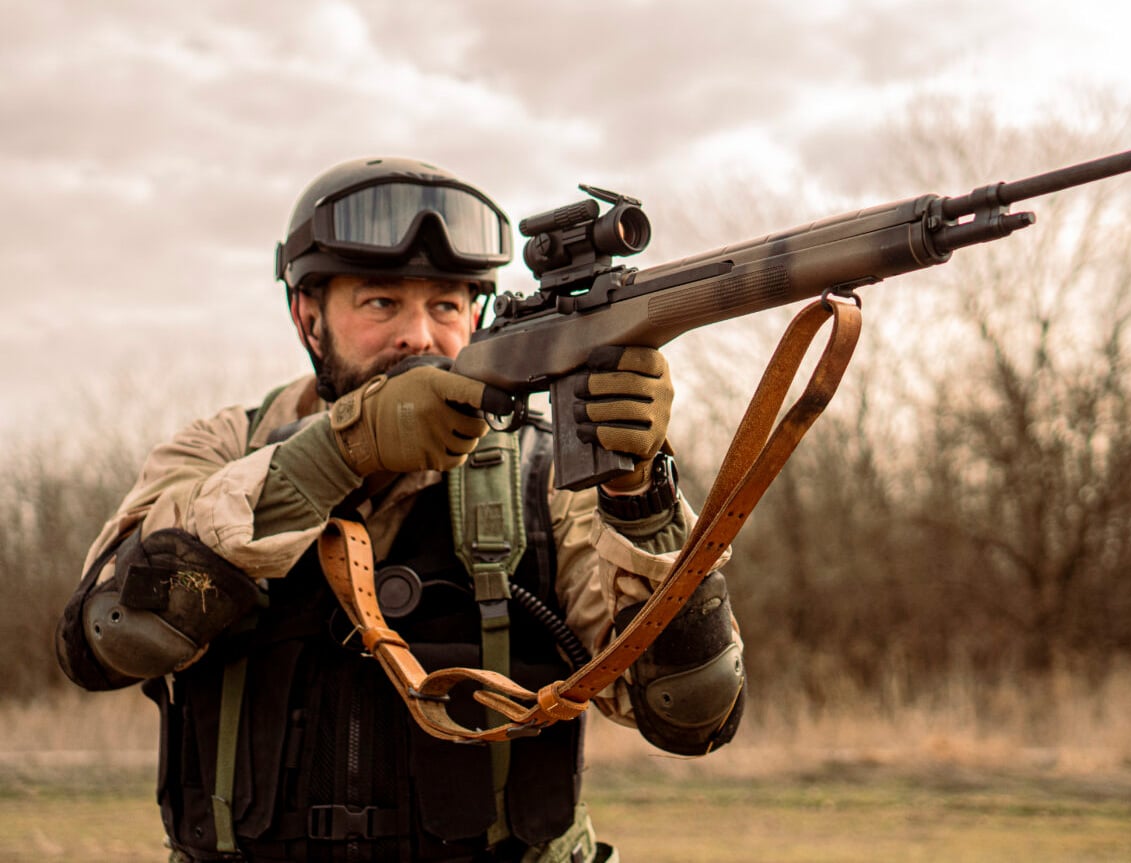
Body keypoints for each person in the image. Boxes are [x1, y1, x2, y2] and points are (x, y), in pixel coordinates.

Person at [55, 157, 746, 863]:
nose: (419, 336)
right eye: (381, 302)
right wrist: (338, 453)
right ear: (308, 316)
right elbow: (108, 635)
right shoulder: (222, 447)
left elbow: (691, 710)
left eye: (446, 305)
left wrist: (638, 494)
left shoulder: (545, 475)